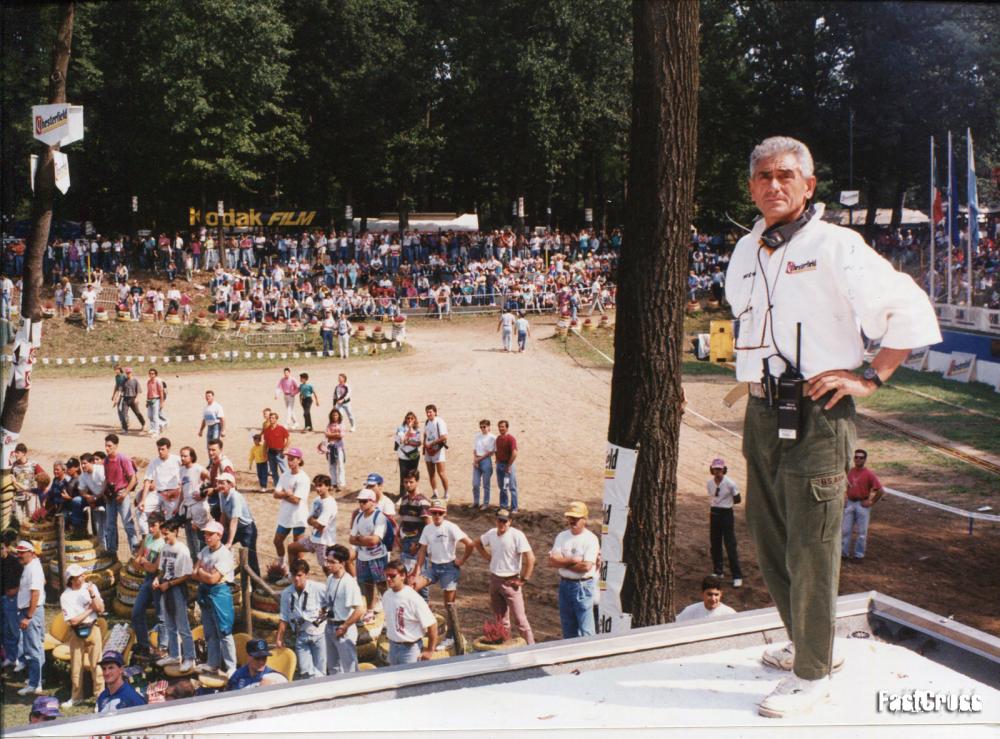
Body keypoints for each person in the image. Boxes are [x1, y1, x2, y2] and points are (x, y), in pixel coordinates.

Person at [726, 136, 941, 718]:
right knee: (770, 537)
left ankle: (813, 672)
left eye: (787, 175)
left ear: (809, 185)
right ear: (752, 186)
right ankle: (806, 643)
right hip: (761, 410)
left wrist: (871, 376)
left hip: (819, 413)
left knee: (814, 545)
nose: (775, 185)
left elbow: (910, 308)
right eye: (764, 176)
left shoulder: (837, 245)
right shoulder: (747, 248)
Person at [473, 509, 536, 644]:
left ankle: (532, 648)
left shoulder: (517, 535)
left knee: (520, 620)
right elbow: (477, 543)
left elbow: (530, 558)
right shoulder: (491, 533)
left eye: (504, 521)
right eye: (499, 520)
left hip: (511, 581)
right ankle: (504, 646)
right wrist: (488, 557)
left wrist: (524, 579)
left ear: (510, 522)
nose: (502, 524)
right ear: (496, 520)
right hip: (495, 579)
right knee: (500, 619)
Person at [547, 501, 600, 639]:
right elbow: (552, 561)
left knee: (586, 629)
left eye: (576, 518)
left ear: (584, 519)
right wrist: (573, 560)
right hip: (565, 585)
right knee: (568, 626)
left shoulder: (590, 539)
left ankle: (590, 656)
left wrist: (561, 562)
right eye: (570, 517)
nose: (572, 521)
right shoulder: (562, 536)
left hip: (582, 586)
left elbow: (586, 567)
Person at [192, 520, 237, 679]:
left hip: (220, 593)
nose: (207, 536)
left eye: (210, 534)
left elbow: (213, 579)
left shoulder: (225, 554)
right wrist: (205, 574)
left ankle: (231, 666)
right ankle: (213, 662)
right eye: (205, 533)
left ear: (219, 535)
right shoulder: (204, 550)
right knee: (209, 631)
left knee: (224, 631)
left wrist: (202, 573)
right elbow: (194, 572)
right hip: (206, 593)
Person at [59, 563, 106, 708]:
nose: (83, 576)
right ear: (72, 580)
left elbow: (101, 609)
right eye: (79, 575)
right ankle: (76, 697)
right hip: (76, 632)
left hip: (93, 628)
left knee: (96, 665)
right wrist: (89, 609)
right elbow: (73, 620)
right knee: (76, 667)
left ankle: (100, 698)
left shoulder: (91, 588)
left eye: (82, 574)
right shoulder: (65, 596)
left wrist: (92, 594)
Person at [413, 500, 475, 609]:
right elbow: (422, 550)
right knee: (412, 586)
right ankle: (419, 613)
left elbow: (469, 544)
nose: (437, 515)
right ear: (430, 513)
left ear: (445, 513)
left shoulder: (451, 527)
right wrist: (417, 570)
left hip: (449, 568)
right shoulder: (427, 529)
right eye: (434, 512)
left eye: (440, 513)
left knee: (449, 606)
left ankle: (451, 625)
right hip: (433, 567)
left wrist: (462, 560)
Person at [155, 519, 195, 673]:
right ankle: (174, 654)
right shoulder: (165, 547)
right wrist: (157, 579)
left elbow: (187, 575)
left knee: (182, 626)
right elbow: (162, 568)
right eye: (163, 535)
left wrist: (170, 584)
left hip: (176, 588)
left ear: (175, 532)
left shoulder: (182, 550)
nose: (165, 537)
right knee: (169, 623)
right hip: (165, 586)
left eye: (167, 534)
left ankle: (190, 657)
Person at [381, 559, 438, 666]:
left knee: (410, 680)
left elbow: (432, 624)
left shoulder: (413, 598)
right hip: (393, 647)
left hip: (410, 650)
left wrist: (430, 650)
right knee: (394, 679)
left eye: (392, 575)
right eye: (386, 575)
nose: (388, 579)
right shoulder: (386, 595)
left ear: (403, 576)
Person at [277, 560, 326, 679]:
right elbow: (283, 617)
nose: (296, 579)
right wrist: (279, 638)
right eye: (293, 575)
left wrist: (325, 612)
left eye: (299, 575)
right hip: (301, 635)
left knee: (320, 672)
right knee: (305, 672)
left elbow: (332, 604)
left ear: (306, 575)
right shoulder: (286, 593)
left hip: (320, 634)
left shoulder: (319, 588)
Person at [321, 544, 366, 674]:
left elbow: (360, 610)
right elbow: (330, 601)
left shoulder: (349, 582)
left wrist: (344, 626)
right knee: (333, 667)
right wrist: (324, 611)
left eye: (332, 562)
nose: (328, 565)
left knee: (349, 669)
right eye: (327, 561)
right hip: (329, 625)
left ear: (342, 563)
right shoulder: (330, 578)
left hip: (343, 629)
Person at [349, 489, 390, 623]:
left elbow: (375, 540)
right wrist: (364, 539)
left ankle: (388, 611)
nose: (361, 504)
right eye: (360, 501)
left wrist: (359, 539)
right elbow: (351, 539)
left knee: (382, 584)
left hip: (377, 556)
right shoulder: (359, 517)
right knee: (367, 584)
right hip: (363, 556)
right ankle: (370, 610)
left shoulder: (379, 517)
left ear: (372, 502)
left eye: (364, 501)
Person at [130, 511, 166, 661]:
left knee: (161, 616)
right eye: (149, 526)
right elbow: (136, 562)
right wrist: (145, 563)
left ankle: (164, 648)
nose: (150, 529)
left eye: (154, 526)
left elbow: (154, 568)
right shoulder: (148, 538)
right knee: (136, 612)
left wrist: (143, 562)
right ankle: (144, 645)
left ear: (161, 526)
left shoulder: (163, 544)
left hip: (159, 580)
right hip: (147, 580)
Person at [14, 541, 46, 696]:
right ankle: (38, 679)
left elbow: (35, 594)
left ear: (31, 553)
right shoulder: (31, 566)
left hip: (31, 612)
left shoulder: (33, 568)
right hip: (31, 611)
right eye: (18, 552)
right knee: (37, 647)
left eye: (22, 552)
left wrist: (28, 616)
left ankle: (35, 684)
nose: (19, 555)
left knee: (32, 649)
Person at [288, 474, 337, 571]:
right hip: (313, 539)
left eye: (320, 485)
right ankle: (292, 575)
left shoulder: (330, 503)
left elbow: (320, 525)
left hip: (324, 542)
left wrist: (314, 521)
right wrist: (314, 522)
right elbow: (309, 520)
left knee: (327, 569)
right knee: (292, 548)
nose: (317, 488)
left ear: (327, 486)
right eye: (316, 485)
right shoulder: (317, 500)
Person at [706, 458, 743, 588]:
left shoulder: (730, 484)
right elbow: (712, 496)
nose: (717, 472)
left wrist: (727, 502)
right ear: (712, 469)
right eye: (715, 469)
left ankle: (737, 576)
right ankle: (718, 571)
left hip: (726, 514)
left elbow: (737, 499)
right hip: (714, 512)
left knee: (730, 544)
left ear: (724, 470)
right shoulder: (710, 483)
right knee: (715, 543)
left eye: (720, 469)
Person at [273, 447, 310, 575]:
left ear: (299, 460)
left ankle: (298, 573)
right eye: (288, 459)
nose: (290, 462)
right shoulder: (284, 475)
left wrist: (285, 495)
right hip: (285, 515)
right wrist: (288, 494)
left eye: (292, 459)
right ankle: (282, 565)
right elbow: (275, 494)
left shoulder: (303, 478)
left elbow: (297, 501)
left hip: (298, 517)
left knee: (298, 548)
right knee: (277, 541)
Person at [842, 449, 884, 561]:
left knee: (862, 532)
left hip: (862, 505)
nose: (858, 459)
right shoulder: (850, 472)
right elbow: (844, 485)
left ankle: (858, 555)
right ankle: (843, 553)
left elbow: (880, 490)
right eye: (856, 457)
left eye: (861, 457)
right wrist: (845, 497)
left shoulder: (869, 474)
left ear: (865, 459)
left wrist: (871, 502)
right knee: (845, 531)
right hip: (850, 503)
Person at [216, 472, 260, 576]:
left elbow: (234, 520)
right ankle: (227, 578)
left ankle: (257, 586)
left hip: (247, 529)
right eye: (218, 483)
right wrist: (220, 533)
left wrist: (229, 542)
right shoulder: (221, 494)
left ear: (230, 485)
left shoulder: (235, 497)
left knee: (251, 558)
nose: (219, 486)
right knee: (219, 547)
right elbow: (223, 515)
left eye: (222, 483)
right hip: (234, 528)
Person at [102, 433, 140, 554]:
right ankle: (112, 551)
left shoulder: (122, 458)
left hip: (122, 494)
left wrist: (125, 493)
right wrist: (105, 493)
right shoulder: (106, 461)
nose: (107, 448)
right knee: (110, 525)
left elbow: (133, 478)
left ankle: (135, 552)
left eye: (109, 446)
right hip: (111, 495)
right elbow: (106, 479)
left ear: (116, 446)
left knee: (128, 524)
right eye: (106, 446)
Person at [137, 437, 182, 537]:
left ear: (168, 448)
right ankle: (146, 538)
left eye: (163, 449)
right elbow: (147, 480)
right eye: (159, 449)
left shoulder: (177, 460)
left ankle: (171, 541)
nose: (160, 452)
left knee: (171, 520)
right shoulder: (154, 462)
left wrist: (179, 489)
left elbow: (186, 473)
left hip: (173, 494)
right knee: (141, 511)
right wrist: (143, 500)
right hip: (158, 493)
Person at [397, 471, 431, 591]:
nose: (408, 484)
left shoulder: (422, 502)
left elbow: (429, 526)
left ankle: (424, 606)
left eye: (411, 482)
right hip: (405, 542)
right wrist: (398, 537)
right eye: (406, 482)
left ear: (417, 482)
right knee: (406, 577)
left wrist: (419, 545)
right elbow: (403, 520)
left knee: (419, 578)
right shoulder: (404, 500)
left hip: (417, 545)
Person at [2, 530, 24, 671]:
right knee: (5, 631)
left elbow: (24, 581)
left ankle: (20, 658)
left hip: (11, 600)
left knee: (15, 630)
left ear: (6, 547)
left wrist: (15, 591)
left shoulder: (14, 562)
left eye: (1, 548)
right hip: (2, 598)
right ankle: (10, 657)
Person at [422, 404, 449, 500]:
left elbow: (444, 436)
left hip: (438, 449)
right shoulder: (427, 422)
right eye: (427, 412)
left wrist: (432, 443)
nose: (429, 414)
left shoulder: (440, 422)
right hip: (428, 450)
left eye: (430, 412)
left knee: (441, 473)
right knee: (431, 473)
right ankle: (435, 493)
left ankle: (446, 493)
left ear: (435, 412)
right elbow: (425, 434)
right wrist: (424, 446)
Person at [394, 411, 422, 497]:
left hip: (414, 456)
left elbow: (418, 443)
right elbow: (402, 440)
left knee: (413, 476)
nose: (410, 420)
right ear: (405, 419)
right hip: (403, 457)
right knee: (403, 477)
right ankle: (402, 496)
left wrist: (408, 441)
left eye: (411, 418)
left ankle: (413, 495)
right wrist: (409, 431)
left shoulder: (417, 429)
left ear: (415, 420)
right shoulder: (400, 428)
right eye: (408, 418)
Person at [494, 420, 519, 511]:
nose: (501, 428)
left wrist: (509, 465)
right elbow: (496, 450)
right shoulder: (498, 439)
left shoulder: (510, 439)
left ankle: (514, 507)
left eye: (503, 426)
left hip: (508, 465)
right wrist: (497, 459)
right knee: (502, 487)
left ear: (507, 428)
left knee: (512, 487)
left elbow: (515, 453)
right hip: (500, 465)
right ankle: (503, 506)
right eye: (500, 426)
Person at [472, 419, 496, 510]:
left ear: (489, 427)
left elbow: (490, 452)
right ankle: (476, 502)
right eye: (481, 427)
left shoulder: (492, 437)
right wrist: (475, 459)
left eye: (484, 427)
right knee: (475, 483)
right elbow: (474, 448)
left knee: (486, 484)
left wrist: (478, 459)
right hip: (477, 459)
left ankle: (485, 503)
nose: (482, 428)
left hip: (485, 460)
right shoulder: (477, 436)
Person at [263, 411, 290, 486]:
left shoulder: (281, 429)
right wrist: (264, 453)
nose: (271, 419)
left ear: (276, 419)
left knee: (285, 471)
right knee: (274, 472)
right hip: (270, 453)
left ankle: (287, 486)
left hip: (279, 452)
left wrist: (285, 449)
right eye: (270, 418)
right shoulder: (267, 430)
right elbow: (265, 443)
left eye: (273, 418)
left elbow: (288, 439)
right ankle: (277, 487)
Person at [324, 409, 347, 491]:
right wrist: (335, 434)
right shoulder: (329, 425)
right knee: (332, 465)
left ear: (339, 416)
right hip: (331, 447)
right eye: (333, 415)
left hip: (339, 447)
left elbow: (341, 435)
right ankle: (334, 483)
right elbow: (326, 435)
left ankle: (341, 483)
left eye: (336, 415)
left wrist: (331, 435)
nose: (335, 417)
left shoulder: (341, 424)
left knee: (340, 465)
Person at [119, 367, 145, 432]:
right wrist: (118, 398)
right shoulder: (124, 381)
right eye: (127, 373)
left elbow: (139, 391)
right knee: (124, 414)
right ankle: (125, 428)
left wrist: (136, 398)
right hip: (125, 399)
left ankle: (143, 424)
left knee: (137, 413)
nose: (128, 374)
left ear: (131, 373)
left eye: (129, 372)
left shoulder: (135, 381)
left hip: (133, 399)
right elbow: (120, 390)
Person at [145, 368, 168, 436]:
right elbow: (148, 392)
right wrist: (147, 401)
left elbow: (161, 392)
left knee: (155, 416)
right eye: (150, 373)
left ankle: (156, 431)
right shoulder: (148, 382)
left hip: (156, 399)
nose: (151, 375)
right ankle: (153, 428)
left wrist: (162, 402)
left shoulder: (158, 382)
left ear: (155, 374)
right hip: (150, 400)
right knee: (150, 415)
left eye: (153, 373)